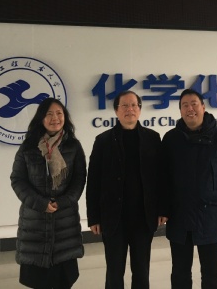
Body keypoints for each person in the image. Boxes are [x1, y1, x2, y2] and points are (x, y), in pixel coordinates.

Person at [161, 88, 217, 289]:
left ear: (203, 107)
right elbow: (161, 178)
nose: (190, 109)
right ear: (180, 110)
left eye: (194, 104)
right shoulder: (171, 139)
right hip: (179, 216)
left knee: (212, 271)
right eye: (185, 105)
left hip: (211, 215)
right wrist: (162, 209)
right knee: (180, 271)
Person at [86, 90, 166, 289]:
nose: (130, 109)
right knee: (114, 272)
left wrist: (163, 209)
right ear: (116, 111)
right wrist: (94, 217)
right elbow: (93, 180)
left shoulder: (152, 138)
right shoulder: (103, 141)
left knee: (141, 270)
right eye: (125, 106)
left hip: (143, 216)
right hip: (113, 218)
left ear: (139, 109)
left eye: (134, 105)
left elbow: (161, 178)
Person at [10, 98, 87, 289]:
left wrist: (63, 202)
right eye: (49, 114)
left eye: (59, 113)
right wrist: (40, 203)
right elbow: (17, 180)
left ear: (65, 117)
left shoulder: (73, 146)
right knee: (38, 280)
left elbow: (79, 179)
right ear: (41, 118)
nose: (55, 118)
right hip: (35, 220)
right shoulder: (28, 147)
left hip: (64, 220)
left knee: (63, 279)